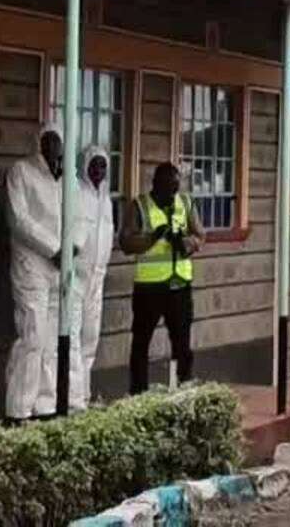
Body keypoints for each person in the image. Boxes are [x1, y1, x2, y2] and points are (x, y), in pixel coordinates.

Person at [119, 161, 205, 393]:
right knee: (141, 343)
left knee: (182, 344)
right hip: (149, 287)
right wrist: (152, 238)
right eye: (168, 188)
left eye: (176, 187)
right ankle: (138, 393)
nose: (173, 193)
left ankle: (183, 389)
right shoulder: (139, 205)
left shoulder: (185, 202)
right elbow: (125, 242)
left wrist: (184, 242)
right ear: (155, 184)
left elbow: (200, 236)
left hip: (180, 285)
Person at [5, 123, 65, 422]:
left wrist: (69, 249)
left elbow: (75, 218)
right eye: (49, 140)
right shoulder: (21, 171)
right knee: (32, 335)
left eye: (58, 141)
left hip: (57, 268)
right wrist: (54, 248)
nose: (54, 147)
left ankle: (45, 404)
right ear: (39, 143)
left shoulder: (63, 180)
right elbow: (19, 219)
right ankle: (18, 409)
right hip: (31, 265)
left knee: (52, 340)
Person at [68, 144, 117, 407]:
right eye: (94, 165)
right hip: (77, 277)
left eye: (102, 166)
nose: (98, 170)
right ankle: (73, 398)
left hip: (97, 279)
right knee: (73, 338)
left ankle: (84, 394)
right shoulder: (76, 193)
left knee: (90, 338)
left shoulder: (106, 200)